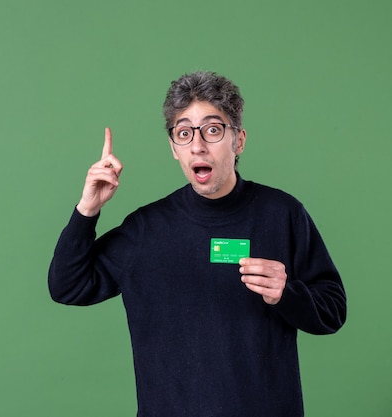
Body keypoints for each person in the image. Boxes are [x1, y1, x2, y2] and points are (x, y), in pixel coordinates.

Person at [48, 71, 346, 417]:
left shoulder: (282, 214)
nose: (198, 145)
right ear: (174, 148)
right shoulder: (147, 229)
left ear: (239, 141)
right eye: (184, 133)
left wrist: (286, 293)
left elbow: (333, 310)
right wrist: (88, 209)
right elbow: (67, 286)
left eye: (213, 129)